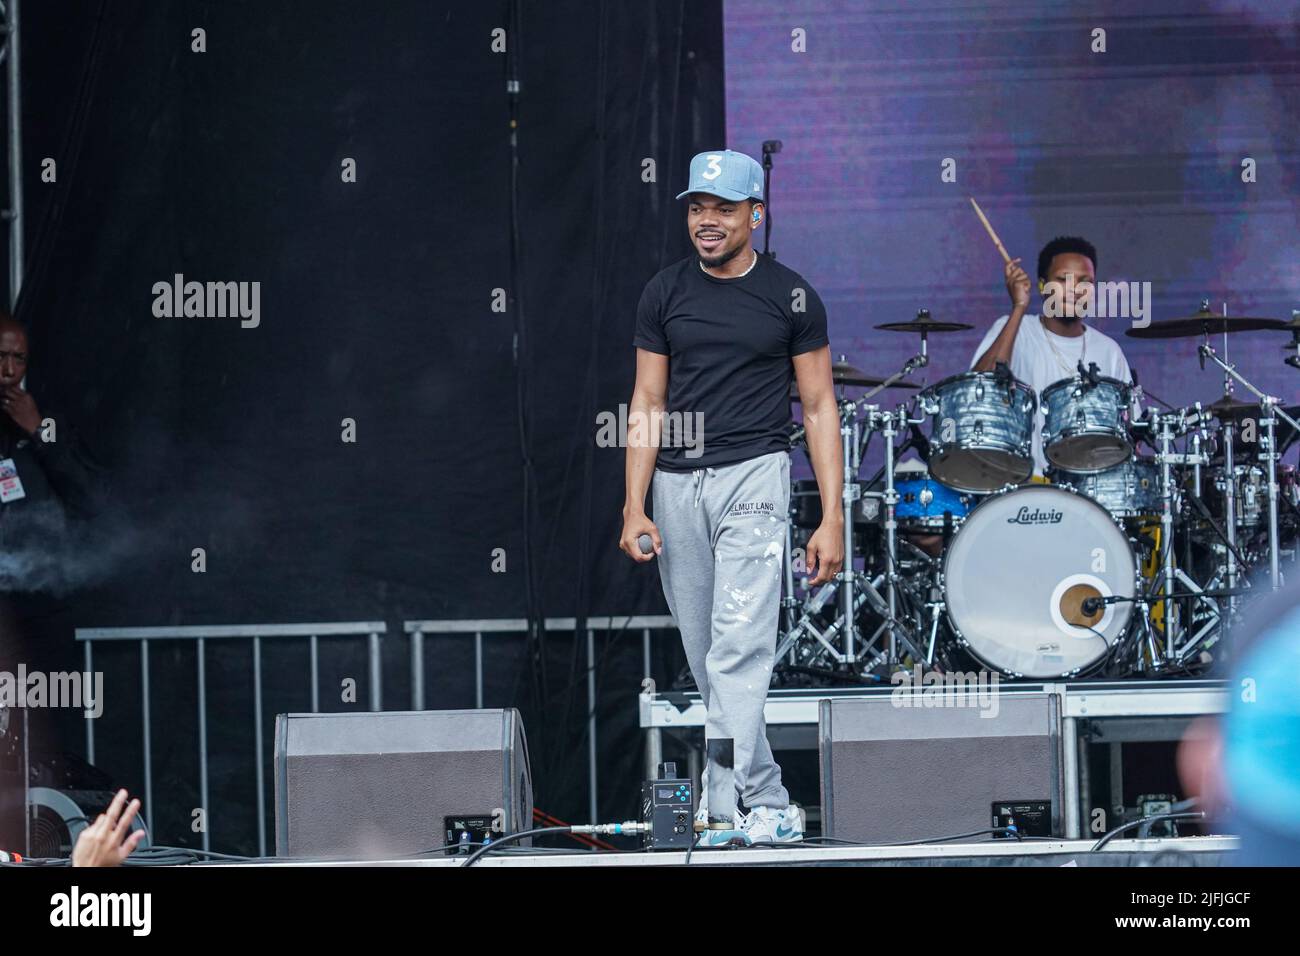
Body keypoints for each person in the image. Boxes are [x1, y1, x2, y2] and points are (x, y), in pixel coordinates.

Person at [620, 149, 844, 846]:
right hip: (677, 484)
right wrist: (633, 505)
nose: (706, 221)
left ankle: (721, 806)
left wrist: (833, 516)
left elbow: (817, 405)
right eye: (696, 208)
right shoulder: (662, 292)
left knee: (738, 647)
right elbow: (648, 400)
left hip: (755, 473)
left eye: (722, 208)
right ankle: (769, 799)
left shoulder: (793, 295)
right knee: (706, 651)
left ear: (756, 214)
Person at [970, 237, 1133, 475]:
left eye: (1084, 281)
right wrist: (1019, 307)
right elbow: (977, 392)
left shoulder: (1109, 351)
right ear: (1041, 286)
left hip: (1092, 494)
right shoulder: (1015, 330)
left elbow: (1129, 432)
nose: (1075, 290)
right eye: (1062, 280)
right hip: (1024, 487)